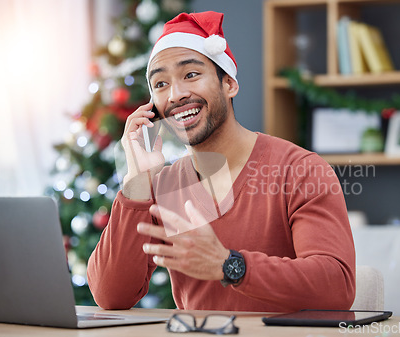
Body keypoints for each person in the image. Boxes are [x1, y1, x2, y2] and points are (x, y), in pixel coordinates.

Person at [87, 11, 356, 312]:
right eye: (160, 84)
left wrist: (229, 265)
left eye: (190, 75)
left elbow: (337, 286)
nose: (176, 95)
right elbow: (111, 295)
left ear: (229, 84)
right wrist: (137, 181)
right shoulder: (162, 185)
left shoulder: (301, 170)